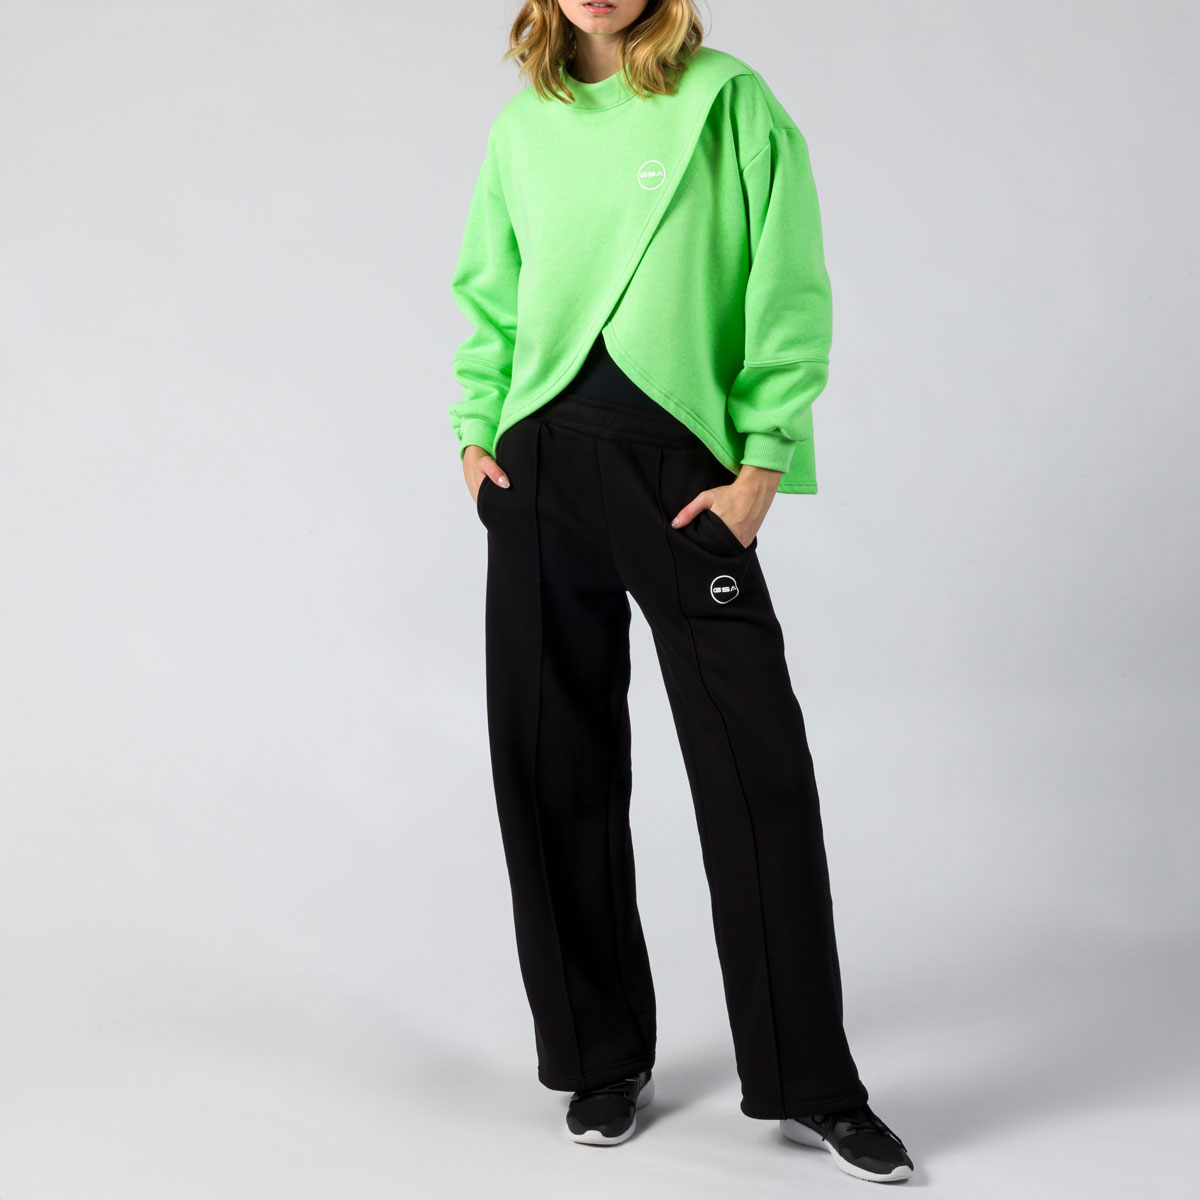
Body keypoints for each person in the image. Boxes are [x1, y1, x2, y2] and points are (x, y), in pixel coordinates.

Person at [448, 0, 914, 1184]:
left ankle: (812, 1084)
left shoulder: (729, 100)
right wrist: (474, 435)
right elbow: (490, 293)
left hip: (679, 470)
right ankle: (598, 1057)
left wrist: (762, 464)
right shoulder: (523, 127)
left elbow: (786, 285)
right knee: (551, 763)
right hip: (538, 465)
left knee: (756, 767)